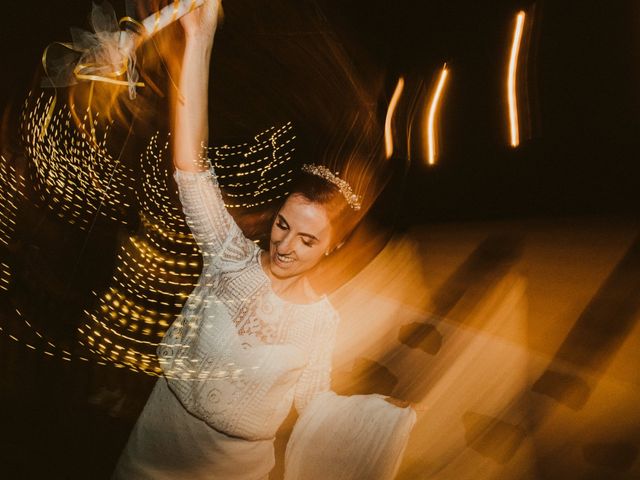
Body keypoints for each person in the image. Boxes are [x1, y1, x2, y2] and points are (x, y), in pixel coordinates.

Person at [113, 1, 416, 478]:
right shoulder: (228, 257)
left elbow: (316, 407)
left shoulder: (320, 323)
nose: (286, 245)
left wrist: (379, 419)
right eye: (282, 225)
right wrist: (199, 41)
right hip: (154, 447)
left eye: (308, 240)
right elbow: (191, 166)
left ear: (330, 247)